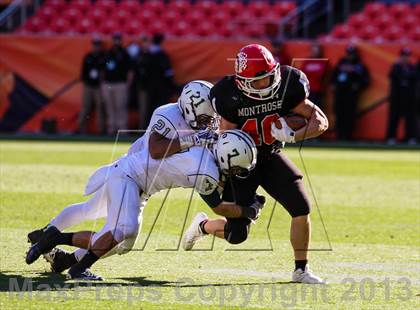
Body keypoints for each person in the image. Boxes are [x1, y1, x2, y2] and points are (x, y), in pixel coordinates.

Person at [25, 81, 263, 280]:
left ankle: (63, 255)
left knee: (120, 240)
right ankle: (64, 250)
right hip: (133, 170)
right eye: (203, 118)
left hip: (142, 181)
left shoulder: (205, 152)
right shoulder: (168, 115)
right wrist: (247, 210)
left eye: (210, 119)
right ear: (190, 107)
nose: (208, 124)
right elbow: (156, 150)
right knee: (113, 223)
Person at [184, 44, 329, 284]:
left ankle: (301, 270)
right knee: (237, 235)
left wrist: (294, 136)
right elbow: (225, 139)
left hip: (270, 154)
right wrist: (223, 172)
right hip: (241, 163)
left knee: (301, 206)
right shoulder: (227, 95)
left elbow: (320, 120)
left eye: (268, 77)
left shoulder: (288, 84)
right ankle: (204, 226)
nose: (265, 84)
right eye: (258, 81)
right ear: (241, 81)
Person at [331, 45, 369, 140]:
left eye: (352, 54)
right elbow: (334, 75)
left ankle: (348, 135)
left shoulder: (359, 65)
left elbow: (365, 79)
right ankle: (339, 135)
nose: (350, 56)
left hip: (351, 94)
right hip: (340, 93)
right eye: (348, 53)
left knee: (350, 115)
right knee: (339, 114)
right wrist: (333, 84)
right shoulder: (341, 63)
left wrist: (358, 86)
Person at [101, 32, 133, 135]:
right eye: (115, 39)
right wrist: (102, 83)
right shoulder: (108, 53)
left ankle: (122, 129)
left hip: (120, 83)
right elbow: (102, 69)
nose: (116, 41)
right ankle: (111, 128)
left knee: (121, 107)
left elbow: (130, 70)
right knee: (110, 107)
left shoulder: (124, 53)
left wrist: (127, 84)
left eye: (118, 39)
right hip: (108, 83)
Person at [386, 48, 417, 145]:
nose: (405, 58)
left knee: (410, 119)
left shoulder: (412, 67)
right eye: (403, 56)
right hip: (397, 97)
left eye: (407, 56)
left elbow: (415, 78)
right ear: (400, 57)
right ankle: (391, 137)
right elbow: (392, 76)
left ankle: (410, 138)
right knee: (394, 118)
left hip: (409, 98)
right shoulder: (396, 67)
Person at [143, 33, 174, 127]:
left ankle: (148, 127)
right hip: (161, 87)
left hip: (149, 86)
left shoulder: (147, 54)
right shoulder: (162, 55)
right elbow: (168, 73)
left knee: (149, 108)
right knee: (161, 108)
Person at [78, 36, 106, 134]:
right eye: (95, 44)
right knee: (85, 107)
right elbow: (83, 72)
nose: (96, 47)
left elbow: (105, 72)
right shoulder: (88, 57)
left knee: (100, 107)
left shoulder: (103, 57)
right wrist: (86, 81)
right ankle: (81, 128)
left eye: (98, 45)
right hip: (88, 86)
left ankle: (101, 129)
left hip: (99, 86)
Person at [299, 43, 328, 109]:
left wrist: (310, 74)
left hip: (317, 90)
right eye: (313, 50)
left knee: (316, 109)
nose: (314, 52)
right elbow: (301, 73)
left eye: (316, 50)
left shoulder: (323, 62)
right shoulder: (307, 61)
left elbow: (321, 75)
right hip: (307, 89)